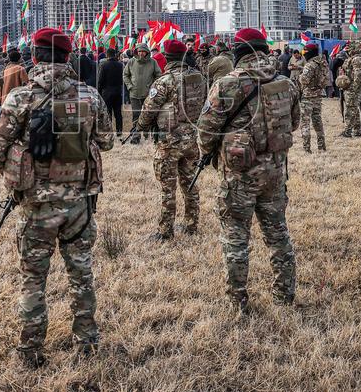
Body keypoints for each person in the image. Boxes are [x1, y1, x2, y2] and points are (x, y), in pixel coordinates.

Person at [0, 28, 113, 368]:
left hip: (35, 204)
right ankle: (87, 342)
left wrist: (20, 173)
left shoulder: (20, 98)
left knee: (33, 279)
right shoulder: (90, 95)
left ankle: (30, 352)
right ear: (69, 57)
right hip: (80, 204)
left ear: (35, 56)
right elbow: (107, 140)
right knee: (81, 274)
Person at [197, 27, 299, 315]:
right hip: (276, 172)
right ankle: (284, 294)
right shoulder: (285, 83)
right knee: (278, 234)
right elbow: (293, 123)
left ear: (239, 52)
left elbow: (206, 130)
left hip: (239, 175)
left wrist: (210, 153)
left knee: (236, 236)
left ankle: (238, 301)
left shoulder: (227, 84)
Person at [137, 39, 206, 240]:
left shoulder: (165, 81)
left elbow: (149, 109)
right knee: (190, 183)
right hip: (192, 137)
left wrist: (140, 126)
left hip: (169, 140)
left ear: (167, 58)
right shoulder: (198, 78)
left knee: (168, 187)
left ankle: (165, 230)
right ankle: (192, 224)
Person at [123, 44, 160, 143]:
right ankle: (136, 137)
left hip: (148, 95)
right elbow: (125, 75)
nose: (141, 53)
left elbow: (158, 75)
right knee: (136, 115)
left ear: (147, 52)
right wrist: (129, 86)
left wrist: (152, 87)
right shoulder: (131, 62)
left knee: (149, 115)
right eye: (139, 51)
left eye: (143, 51)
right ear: (136, 52)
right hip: (134, 94)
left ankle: (150, 135)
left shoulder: (153, 62)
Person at [298, 43, 326, 152]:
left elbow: (304, 80)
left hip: (308, 96)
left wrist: (300, 76)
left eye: (305, 52)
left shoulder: (310, 65)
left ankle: (306, 148)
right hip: (318, 95)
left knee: (305, 122)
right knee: (317, 121)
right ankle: (321, 146)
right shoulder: (323, 62)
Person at [336, 41, 361, 138]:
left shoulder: (357, 59)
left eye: (349, 48)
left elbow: (359, 77)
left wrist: (353, 88)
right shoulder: (352, 59)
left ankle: (347, 131)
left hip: (353, 89)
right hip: (349, 87)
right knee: (354, 110)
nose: (347, 50)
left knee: (349, 110)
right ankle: (357, 131)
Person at [96, 47, 124, 136]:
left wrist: (99, 92)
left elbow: (100, 80)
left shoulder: (103, 65)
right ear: (115, 54)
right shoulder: (120, 65)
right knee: (118, 112)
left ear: (107, 55)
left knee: (108, 113)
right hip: (118, 91)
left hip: (106, 92)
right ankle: (119, 131)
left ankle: (109, 131)